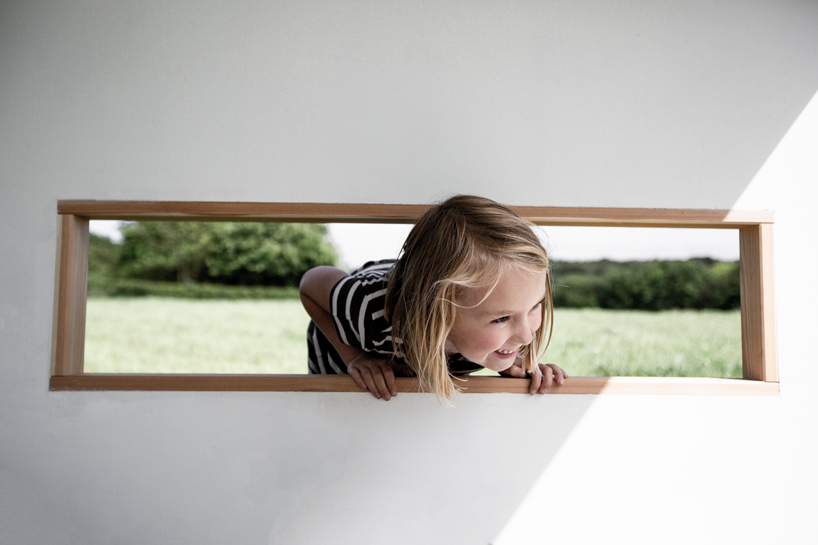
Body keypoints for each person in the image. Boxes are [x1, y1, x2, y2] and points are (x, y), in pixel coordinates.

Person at [299, 194, 567, 404]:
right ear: (440, 311)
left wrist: (518, 366)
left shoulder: (494, 325)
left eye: (535, 306)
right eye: (501, 318)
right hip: (345, 347)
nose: (526, 337)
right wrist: (354, 357)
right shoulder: (368, 310)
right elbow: (311, 284)